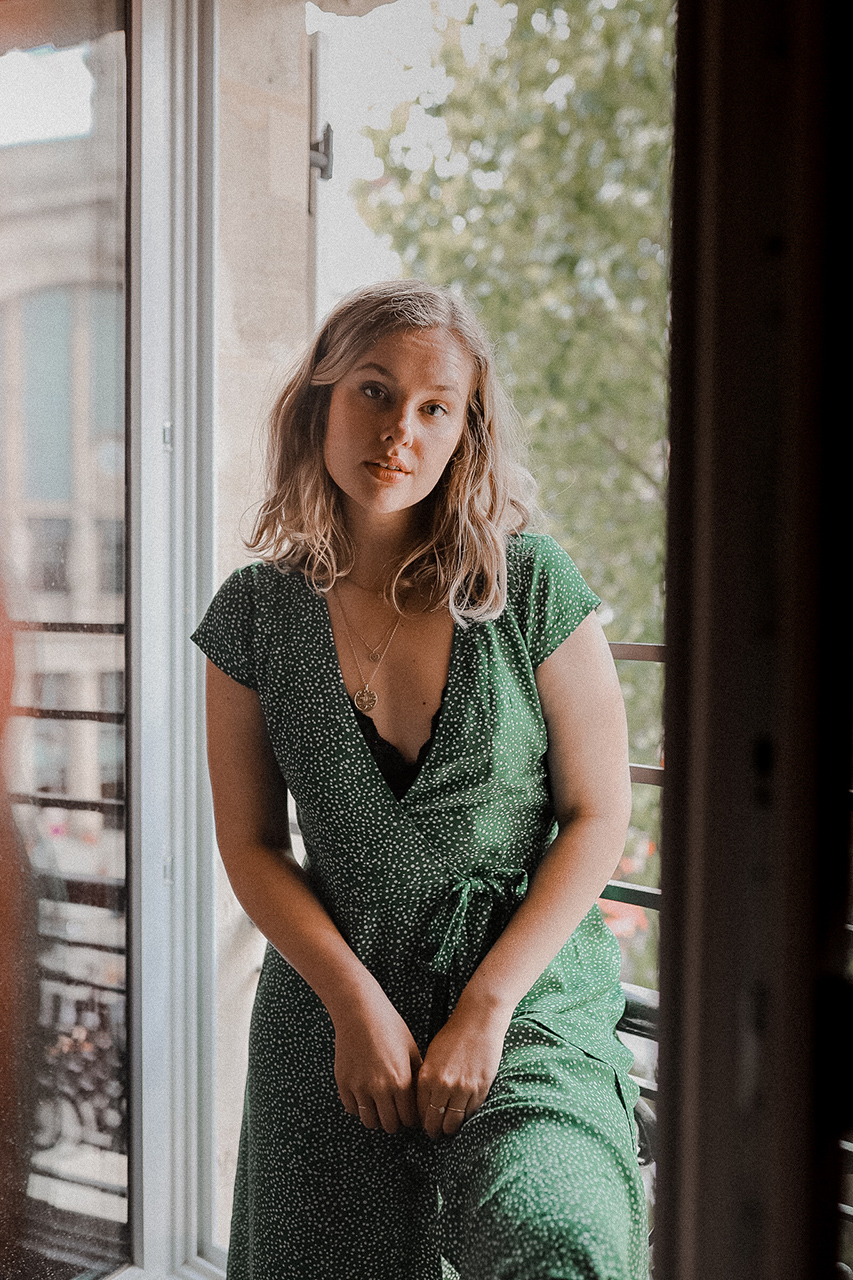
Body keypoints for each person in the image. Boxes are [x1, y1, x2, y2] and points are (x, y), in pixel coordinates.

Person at [192, 280, 647, 1280]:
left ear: (465, 433)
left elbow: (597, 811)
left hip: (521, 1001)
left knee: (552, 1235)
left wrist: (486, 1008)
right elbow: (252, 845)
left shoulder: (530, 584)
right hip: (331, 999)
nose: (400, 427)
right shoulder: (253, 615)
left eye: (435, 407)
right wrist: (354, 1008)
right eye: (373, 390)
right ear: (318, 400)